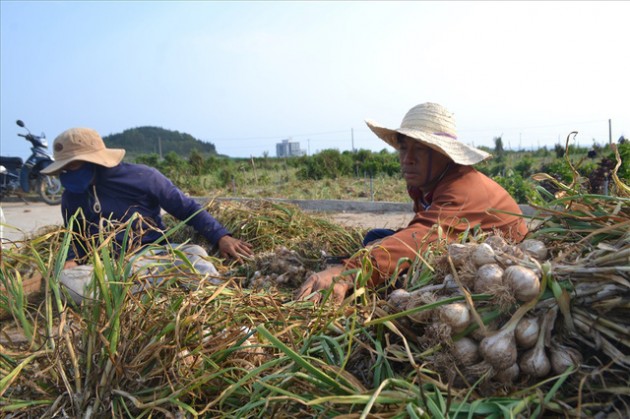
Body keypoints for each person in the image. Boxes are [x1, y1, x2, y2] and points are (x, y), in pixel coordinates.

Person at [296, 102, 528, 304]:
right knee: (375, 237)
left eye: (420, 150)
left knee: (384, 251)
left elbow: (421, 237)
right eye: (404, 148)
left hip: (501, 269)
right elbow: (421, 232)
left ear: (443, 154)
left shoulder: (463, 188)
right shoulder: (429, 184)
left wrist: (347, 272)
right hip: (456, 247)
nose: (407, 160)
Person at [41, 127, 253, 302]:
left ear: (94, 160)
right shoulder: (72, 196)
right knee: (66, 282)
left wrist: (221, 237)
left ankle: (216, 298)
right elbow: (74, 234)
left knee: (194, 254)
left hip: (157, 256)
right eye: (64, 168)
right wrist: (69, 260)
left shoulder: (144, 177)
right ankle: (150, 294)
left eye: (73, 165)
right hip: (111, 270)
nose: (67, 173)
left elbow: (186, 208)